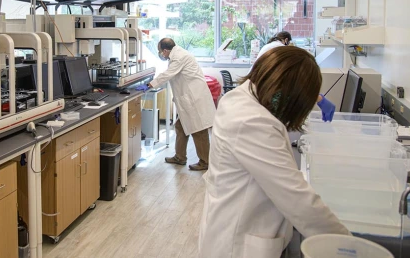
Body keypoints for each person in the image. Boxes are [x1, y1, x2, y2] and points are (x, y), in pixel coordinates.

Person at [198, 46, 350, 258]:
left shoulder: (241, 96)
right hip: (239, 245)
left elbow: (281, 84)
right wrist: (348, 247)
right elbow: (296, 198)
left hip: (230, 221)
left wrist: (314, 96)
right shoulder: (253, 122)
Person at [147, 38, 215, 171]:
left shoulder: (179, 57)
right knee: (180, 126)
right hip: (191, 97)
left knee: (198, 130)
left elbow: (168, 74)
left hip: (195, 98)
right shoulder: (177, 54)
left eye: (161, 52)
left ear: (166, 50)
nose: (161, 54)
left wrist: (150, 84)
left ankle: (205, 161)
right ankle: (180, 157)